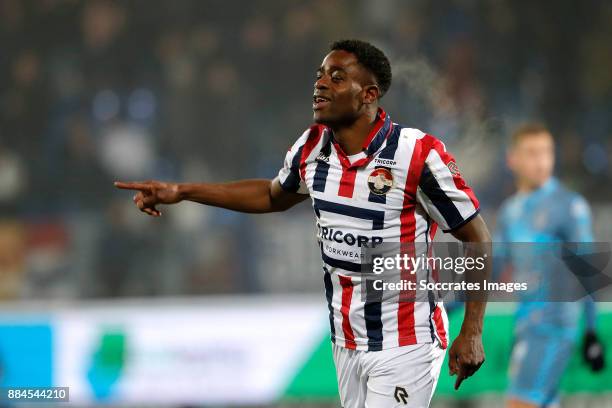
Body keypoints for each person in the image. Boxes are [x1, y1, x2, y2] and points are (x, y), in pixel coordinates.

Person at [115, 39, 491, 407]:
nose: (321, 83)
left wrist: (472, 330)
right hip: (346, 340)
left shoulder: (417, 154)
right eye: (320, 74)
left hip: (407, 340)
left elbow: (477, 237)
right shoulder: (313, 146)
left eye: (338, 76)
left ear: (369, 95)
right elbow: (271, 196)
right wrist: (183, 191)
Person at [497, 123, 605, 408]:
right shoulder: (510, 212)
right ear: (513, 159)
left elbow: (589, 270)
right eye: (532, 153)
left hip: (553, 327)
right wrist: (445, 306)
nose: (541, 161)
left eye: (546, 152)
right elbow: (492, 268)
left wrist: (592, 331)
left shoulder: (568, 206)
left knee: (519, 404)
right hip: (526, 326)